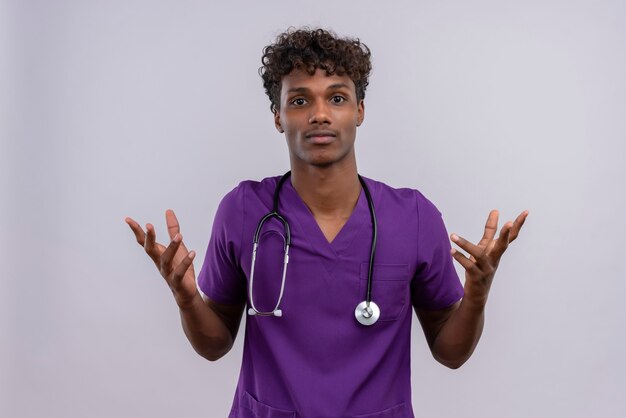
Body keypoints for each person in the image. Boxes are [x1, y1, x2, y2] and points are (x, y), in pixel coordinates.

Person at [126, 27, 528, 418]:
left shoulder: (413, 217)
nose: (320, 114)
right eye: (299, 101)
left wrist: (475, 296)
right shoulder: (244, 210)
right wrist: (186, 299)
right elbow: (214, 344)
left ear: (359, 111)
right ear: (278, 117)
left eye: (336, 97)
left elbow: (450, 351)